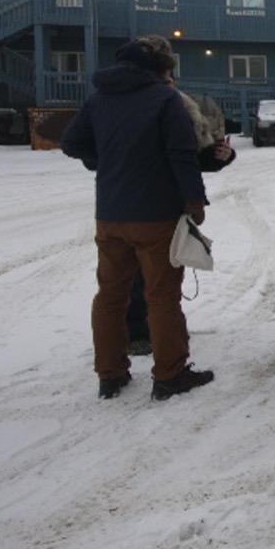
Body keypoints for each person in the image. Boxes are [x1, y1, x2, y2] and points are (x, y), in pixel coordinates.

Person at [60, 34, 215, 401]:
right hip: (156, 215)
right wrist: (195, 200)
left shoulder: (99, 99)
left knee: (110, 296)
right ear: (159, 69)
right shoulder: (164, 99)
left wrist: (104, 161)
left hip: (110, 214)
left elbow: (71, 142)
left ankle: (110, 374)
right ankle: (170, 374)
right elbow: (181, 154)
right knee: (162, 297)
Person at [126, 89, 236, 354]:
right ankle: (139, 334)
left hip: (159, 202)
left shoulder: (178, 106)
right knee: (142, 274)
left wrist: (220, 156)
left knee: (161, 273)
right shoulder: (129, 107)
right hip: (140, 202)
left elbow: (191, 158)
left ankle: (156, 329)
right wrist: (194, 200)